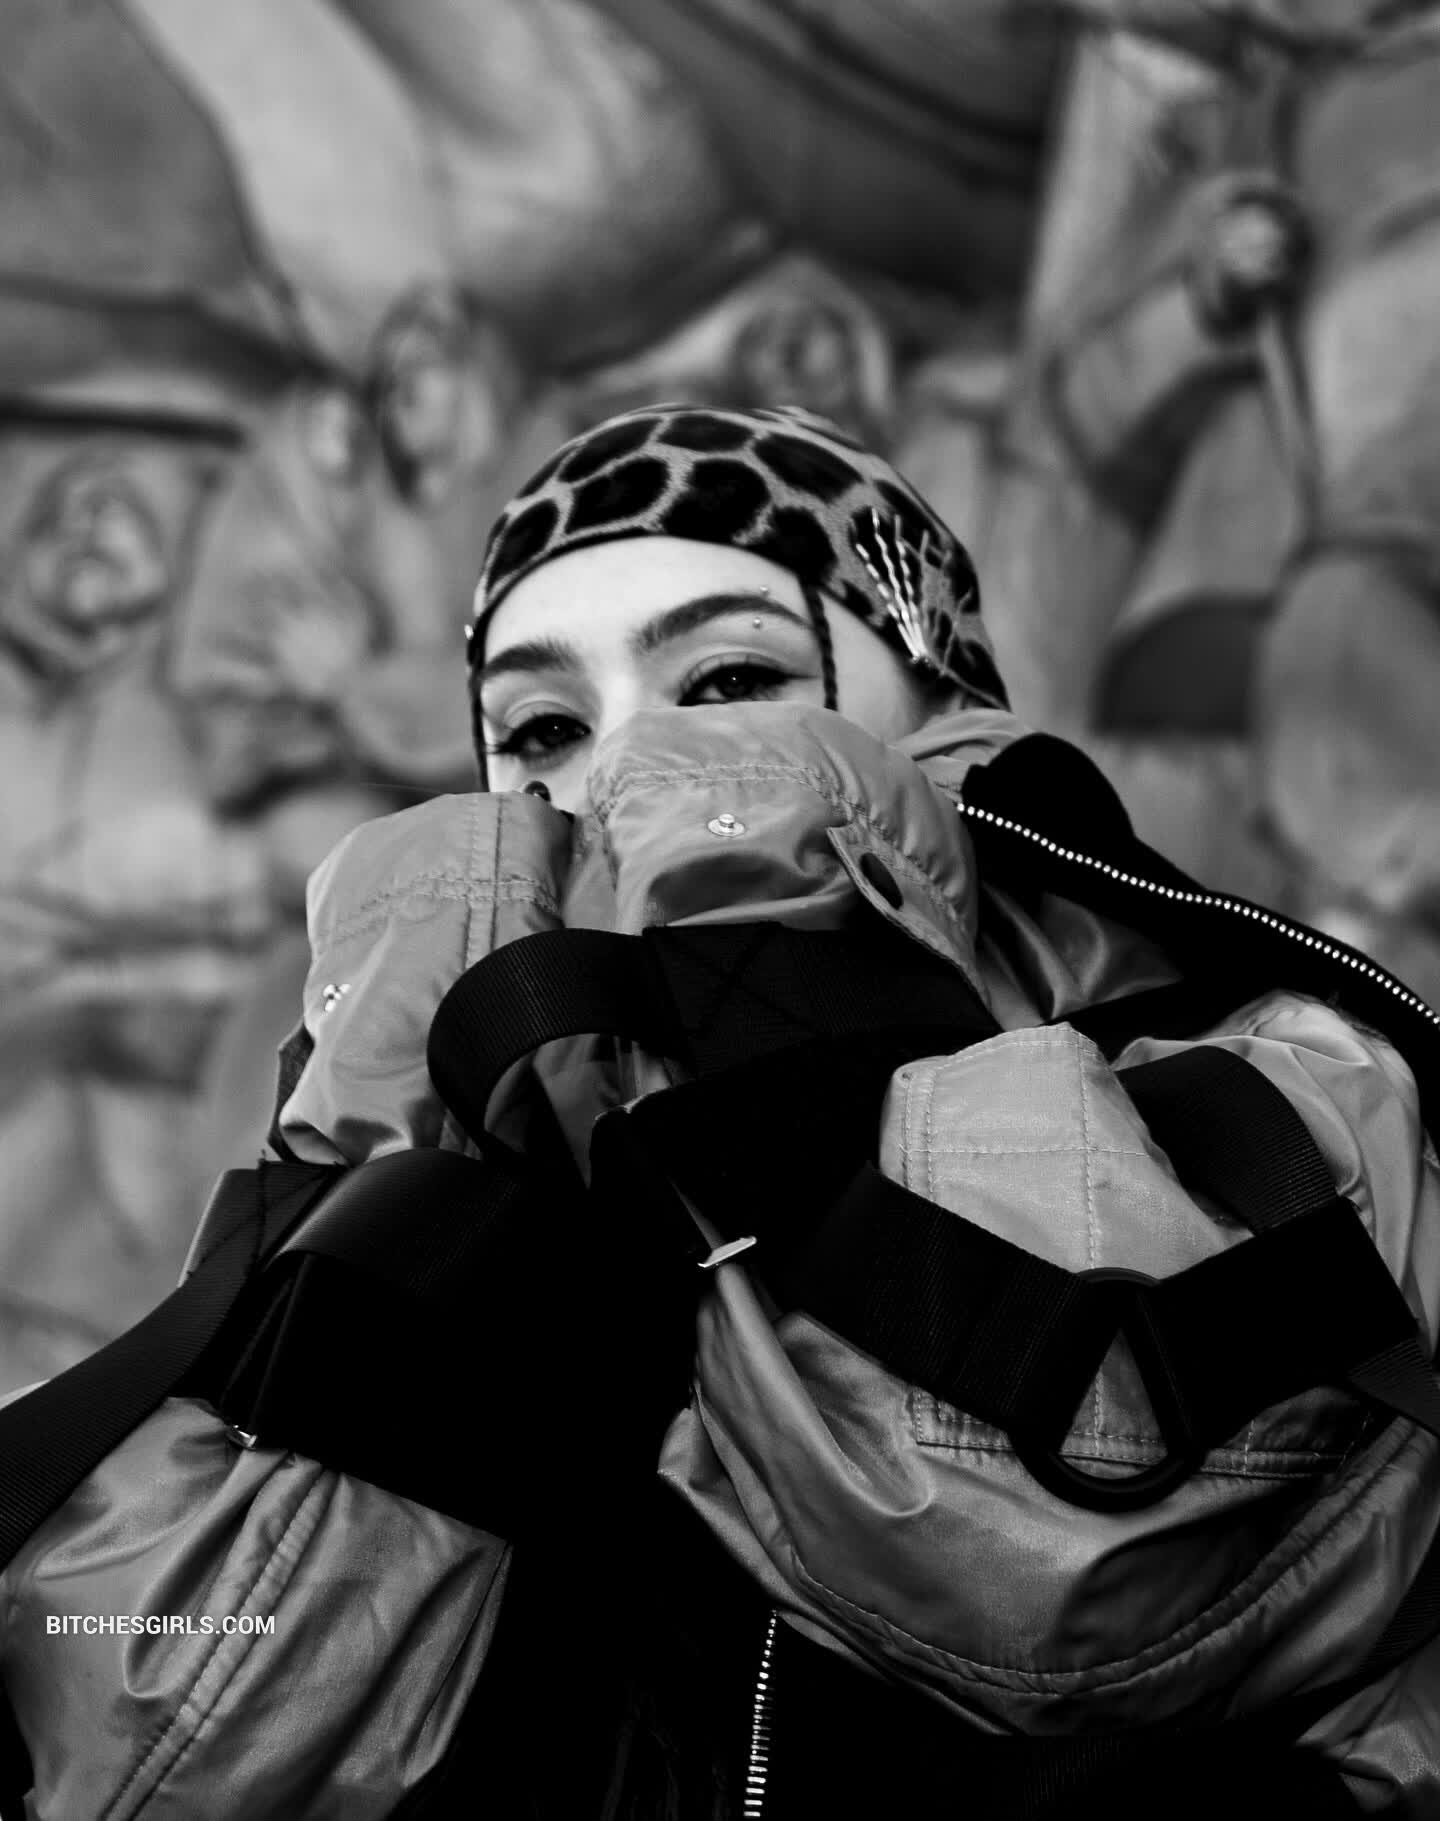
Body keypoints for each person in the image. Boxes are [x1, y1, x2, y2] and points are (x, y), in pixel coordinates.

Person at [5, 403, 1438, 1820]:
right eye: (545, 727)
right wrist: (418, 1117)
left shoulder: (1279, 1074)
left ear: (943, 713)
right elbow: (175, 1746)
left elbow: (1074, 1583)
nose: (623, 772)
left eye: (730, 680)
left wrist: (755, 925)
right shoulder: (500, 1111)